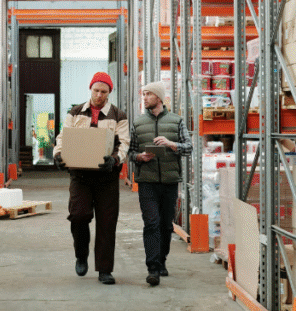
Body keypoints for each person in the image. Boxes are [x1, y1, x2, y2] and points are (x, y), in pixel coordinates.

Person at [53, 72, 130, 285]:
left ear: (109, 92)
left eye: (103, 92)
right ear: (90, 89)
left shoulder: (118, 115)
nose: (99, 95)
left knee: (107, 223)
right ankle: (81, 254)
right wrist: (58, 155)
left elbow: (124, 143)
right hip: (80, 175)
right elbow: (63, 136)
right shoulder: (76, 112)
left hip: (106, 177)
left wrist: (115, 159)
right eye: (96, 90)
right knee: (78, 216)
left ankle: (104, 270)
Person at [127, 82, 193, 287]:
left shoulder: (176, 121)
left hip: (169, 181)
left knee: (165, 225)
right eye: (144, 94)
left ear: (159, 97)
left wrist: (171, 144)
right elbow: (130, 152)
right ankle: (153, 268)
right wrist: (139, 157)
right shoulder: (138, 123)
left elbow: (189, 148)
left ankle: (162, 259)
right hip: (146, 181)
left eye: (148, 94)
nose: (145, 97)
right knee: (151, 223)